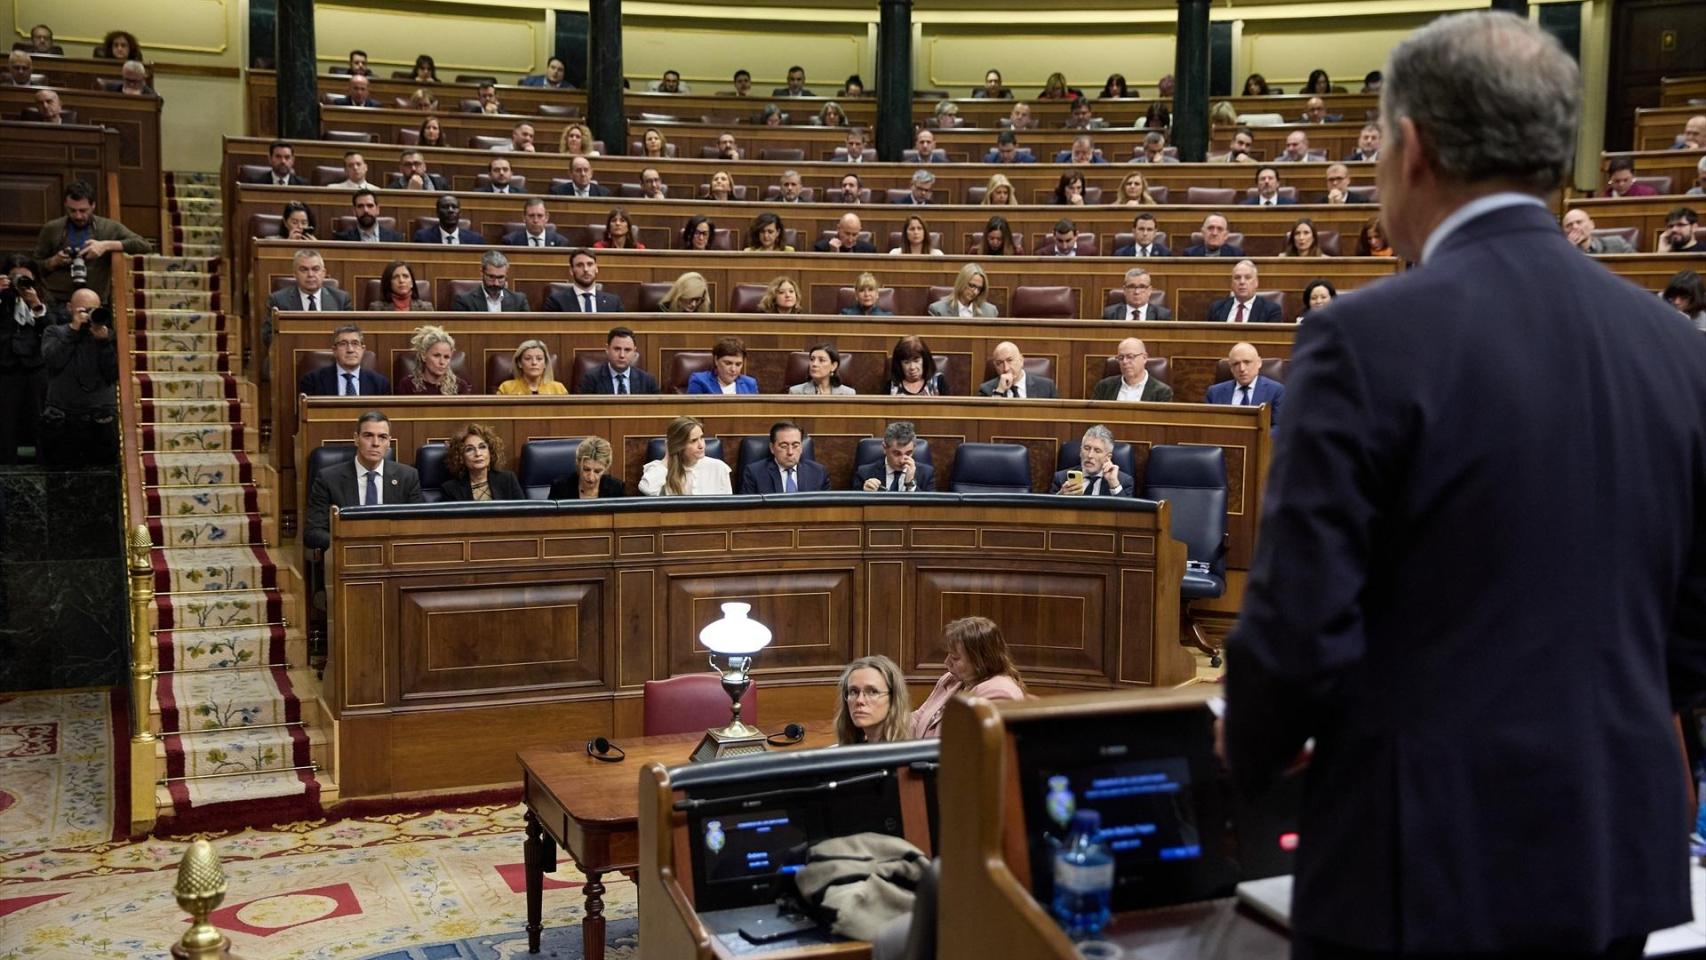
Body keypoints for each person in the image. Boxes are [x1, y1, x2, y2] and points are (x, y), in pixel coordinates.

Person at [1226, 11, 1706, 959]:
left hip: (1422, 861)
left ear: (1413, 147)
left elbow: (1298, 629)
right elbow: (1693, 636)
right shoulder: (1678, 351)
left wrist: (1247, 753)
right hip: (1613, 855)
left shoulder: (1363, 340)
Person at [304, 412, 424, 550]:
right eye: (368, 436)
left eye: (382, 437)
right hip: (346, 557)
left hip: (394, 556)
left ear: (389, 442)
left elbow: (418, 526)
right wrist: (350, 545)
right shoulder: (328, 478)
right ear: (356, 438)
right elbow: (313, 533)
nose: (375, 443)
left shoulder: (407, 476)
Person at [33, 179, 152, 304]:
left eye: (83, 210)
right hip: (57, 300)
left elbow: (144, 245)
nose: (78, 216)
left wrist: (106, 245)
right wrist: (53, 261)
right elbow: (34, 267)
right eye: (72, 210)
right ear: (65, 205)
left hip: (95, 299)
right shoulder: (52, 228)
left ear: (93, 205)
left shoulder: (109, 227)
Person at [908, 616, 1025, 739]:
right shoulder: (950, 680)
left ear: (981, 660)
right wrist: (890, 720)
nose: (946, 663)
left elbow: (971, 747)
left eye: (955, 658)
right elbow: (918, 718)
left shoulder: (1000, 692)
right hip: (923, 755)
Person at [39, 288, 118, 467]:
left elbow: (112, 374)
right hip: (62, 421)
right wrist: (73, 330)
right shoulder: (54, 332)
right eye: (83, 310)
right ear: (69, 308)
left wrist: (104, 344)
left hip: (100, 419)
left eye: (93, 310)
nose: (89, 315)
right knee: (59, 477)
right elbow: (53, 361)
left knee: (102, 479)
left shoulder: (109, 336)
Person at [0, 257, 50, 462]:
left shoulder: (43, 299)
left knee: (40, 422)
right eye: (15, 278)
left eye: (25, 278)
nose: (20, 282)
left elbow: (50, 332)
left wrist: (36, 304)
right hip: (4, 369)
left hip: (36, 369)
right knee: (4, 426)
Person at [264, 250, 352, 344]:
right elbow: (268, 336)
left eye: (315, 269)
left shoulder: (341, 299)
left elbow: (350, 334)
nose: (310, 275)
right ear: (295, 274)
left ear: (324, 273)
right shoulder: (278, 300)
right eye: (304, 270)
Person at [639, 416, 732, 496]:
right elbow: (647, 489)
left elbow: (728, 508)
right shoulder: (660, 468)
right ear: (679, 445)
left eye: (701, 438)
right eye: (693, 441)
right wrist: (668, 458)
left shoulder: (718, 467)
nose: (701, 445)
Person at [835, 655, 913, 746]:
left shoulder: (908, 756)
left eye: (872, 692)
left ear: (893, 699)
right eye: (853, 692)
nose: (859, 700)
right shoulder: (844, 752)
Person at [298, 324, 390, 397]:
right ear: (334, 350)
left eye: (355, 343)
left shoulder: (380, 383)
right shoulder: (313, 381)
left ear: (363, 349)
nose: (350, 350)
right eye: (343, 344)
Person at [441, 423, 524, 501]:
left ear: (490, 452)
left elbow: (523, 513)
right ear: (461, 457)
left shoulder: (508, 480)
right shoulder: (450, 489)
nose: (478, 454)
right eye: (469, 449)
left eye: (482, 447)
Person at [739, 421, 827, 494]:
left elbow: (827, 509)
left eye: (795, 445)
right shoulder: (755, 473)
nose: (790, 452)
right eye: (784, 446)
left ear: (801, 447)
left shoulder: (818, 472)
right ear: (772, 448)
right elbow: (746, 511)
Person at [1205, 340, 1283, 418]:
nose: (1242, 369)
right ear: (1231, 368)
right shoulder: (1214, 393)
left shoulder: (1276, 391)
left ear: (1259, 363)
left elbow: (1278, 427)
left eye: (1247, 362)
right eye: (1236, 364)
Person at [1050, 425, 1132, 496]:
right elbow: (1048, 512)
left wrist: (1114, 484)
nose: (1090, 455)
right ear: (1080, 451)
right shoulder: (1061, 478)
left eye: (1097, 450)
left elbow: (1128, 513)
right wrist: (1060, 496)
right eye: (1086, 448)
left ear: (1108, 457)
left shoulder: (1123, 481)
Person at [577, 326, 658, 394]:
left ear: (634, 351)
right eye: (617, 349)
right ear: (607, 349)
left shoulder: (648, 381)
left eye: (627, 350)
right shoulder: (591, 379)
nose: (622, 355)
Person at [856, 421, 934, 490]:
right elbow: (853, 504)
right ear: (884, 448)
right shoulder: (864, 473)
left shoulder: (926, 474)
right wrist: (865, 494)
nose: (902, 460)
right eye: (897, 453)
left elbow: (930, 506)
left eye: (908, 453)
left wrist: (911, 484)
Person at [397, 325, 472, 396]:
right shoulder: (407, 385)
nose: (442, 362)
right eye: (436, 356)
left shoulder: (460, 387)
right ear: (423, 356)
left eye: (446, 357)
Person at [1091, 338, 1173, 402]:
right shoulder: (1104, 387)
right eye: (1121, 357)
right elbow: (1093, 419)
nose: (1125, 362)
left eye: (1130, 356)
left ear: (1144, 358)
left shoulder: (1162, 392)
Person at [547, 436, 627, 499]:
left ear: (606, 467)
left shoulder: (616, 489)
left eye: (597, 471)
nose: (591, 477)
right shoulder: (560, 487)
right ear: (578, 463)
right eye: (586, 469)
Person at [548, 249, 625, 312]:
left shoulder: (613, 302)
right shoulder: (556, 301)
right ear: (571, 271)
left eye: (590, 264)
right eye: (579, 265)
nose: (586, 269)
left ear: (596, 268)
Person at [452, 250, 531, 312]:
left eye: (500, 278)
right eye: (491, 277)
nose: (496, 283)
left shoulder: (519, 300)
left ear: (506, 275)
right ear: (481, 272)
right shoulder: (464, 301)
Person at [1208, 260, 1282, 322]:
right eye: (1237, 278)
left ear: (1256, 282)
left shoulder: (1271, 311)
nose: (1242, 282)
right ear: (1232, 283)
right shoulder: (1217, 308)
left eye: (1247, 277)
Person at [978, 341, 1057, 398]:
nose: (1006, 368)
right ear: (995, 366)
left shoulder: (1047, 387)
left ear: (1021, 360)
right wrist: (999, 391)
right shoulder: (986, 390)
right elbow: (988, 419)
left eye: (1010, 360)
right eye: (1000, 363)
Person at [688, 337, 758, 394]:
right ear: (716, 360)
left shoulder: (750, 384)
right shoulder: (699, 381)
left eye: (738, 364)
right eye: (728, 363)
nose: (733, 369)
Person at [495, 340, 566, 396]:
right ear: (519, 363)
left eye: (539, 358)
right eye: (528, 358)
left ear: (545, 363)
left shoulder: (558, 389)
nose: (534, 363)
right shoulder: (506, 388)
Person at [332, 189, 405, 243]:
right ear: (354, 211)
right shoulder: (341, 239)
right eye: (360, 206)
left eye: (370, 206)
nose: (366, 210)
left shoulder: (396, 238)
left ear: (377, 209)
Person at [1103, 267, 1171, 321]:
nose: (1136, 292)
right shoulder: (1111, 313)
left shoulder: (1162, 315)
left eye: (1142, 287)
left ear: (1149, 290)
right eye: (1132, 287)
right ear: (1124, 290)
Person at [929, 263, 996, 318]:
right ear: (961, 282)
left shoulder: (990, 312)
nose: (975, 292)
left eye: (979, 288)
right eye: (972, 286)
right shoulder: (938, 310)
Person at [412, 195, 482, 245]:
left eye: (454, 207)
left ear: (460, 213)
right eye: (445, 207)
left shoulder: (475, 240)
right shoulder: (423, 238)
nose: (450, 210)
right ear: (437, 212)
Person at [790, 343, 855, 395]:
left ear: (833, 366)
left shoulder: (848, 393)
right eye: (812, 359)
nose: (814, 364)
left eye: (821, 360)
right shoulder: (796, 392)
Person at [1562, 208, 1634, 254]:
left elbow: (1638, 266)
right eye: (1569, 225)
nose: (1575, 227)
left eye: (1579, 222)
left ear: (1591, 225)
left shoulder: (1617, 244)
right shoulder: (1561, 253)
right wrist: (1568, 250)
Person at [367, 259, 432, 310]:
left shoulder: (425, 308)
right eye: (395, 277)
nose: (401, 280)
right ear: (389, 283)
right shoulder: (377, 309)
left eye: (405, 276)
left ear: (412, 282)